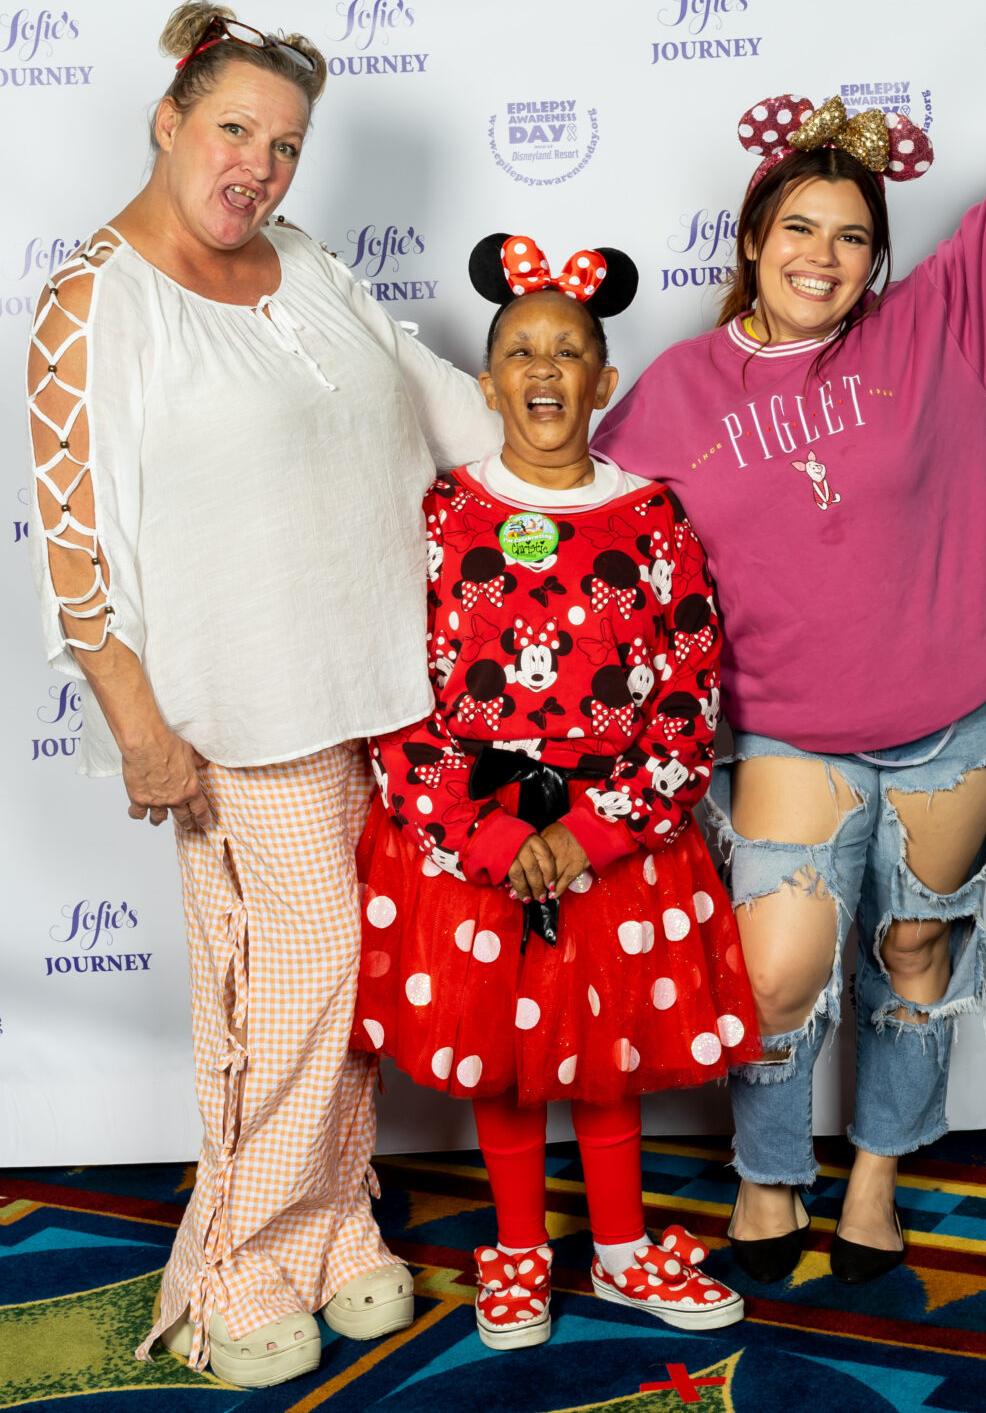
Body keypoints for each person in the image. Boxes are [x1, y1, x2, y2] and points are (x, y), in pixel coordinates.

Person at [593, 0, 986, 1287]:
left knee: (916, 943)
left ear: (876, 258)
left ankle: (876, 1170)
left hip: (957, 707)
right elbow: (594, 547)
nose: (824, 255)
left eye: (853, 236)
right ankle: (767, 1173)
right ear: (753, 239)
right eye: (799, 228)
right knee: (778, 970)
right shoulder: (673, 395)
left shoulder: (933, 329)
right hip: (786, 729)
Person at [25, 0, 501, 1388]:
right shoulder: (95, 299)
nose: (260, 166)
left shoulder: (306, 261)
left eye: (286, 145)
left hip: (381, 685)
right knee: (293, 978)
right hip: (238, 708)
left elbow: (446, 410)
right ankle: (237, 1261)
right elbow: (72, 543)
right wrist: (137, 724)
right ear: (168, 120)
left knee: (355, 976)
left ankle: (336, 1224)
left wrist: (575, 427)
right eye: (234, 129)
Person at [350, 233, 762, 1348]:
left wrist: (591, 831)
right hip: (476, 840)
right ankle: (519, 1250)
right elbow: (395, 690)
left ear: (603, 380)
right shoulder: (440, 517)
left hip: (611, 838)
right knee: (505, 1055)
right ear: (488, 385)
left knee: (607, 1048)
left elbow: (686, 694)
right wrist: (481, 834)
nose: (544, 368)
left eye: (569, 351)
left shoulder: (653, 518)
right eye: (521, 351)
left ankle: (622, 1250)